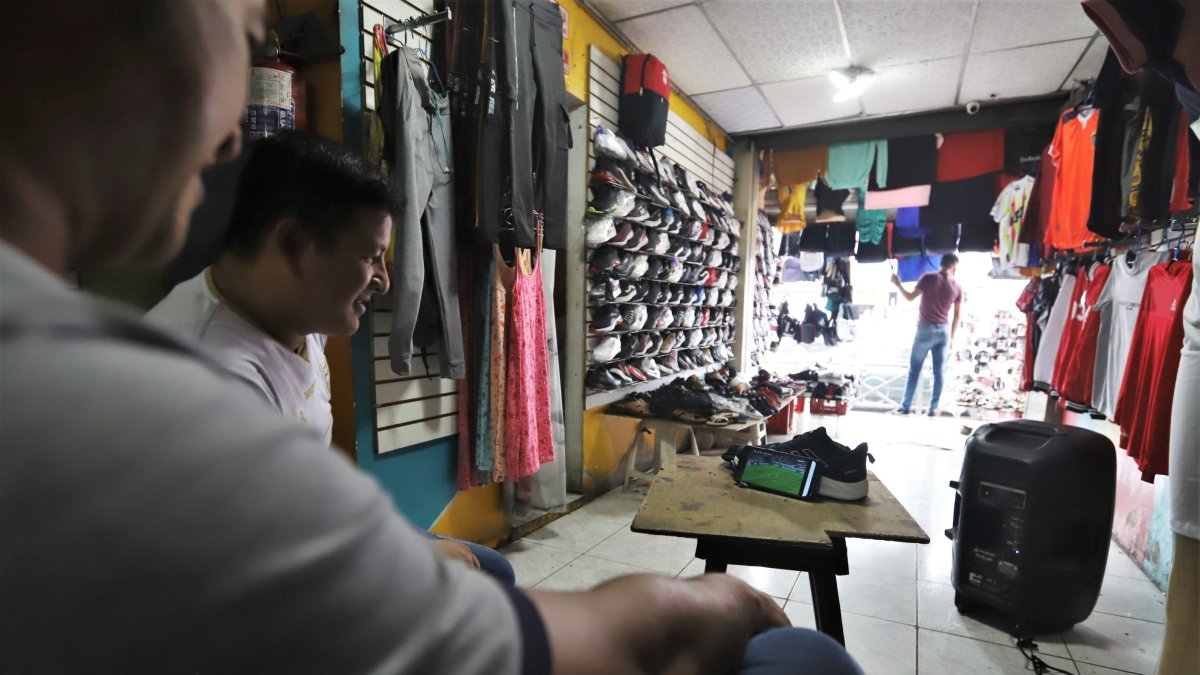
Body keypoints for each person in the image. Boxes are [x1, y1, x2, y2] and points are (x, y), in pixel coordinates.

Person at [0, 2, 863, 674]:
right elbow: (603, 644)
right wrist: (723, 602)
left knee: (492, 565)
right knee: (803, 657)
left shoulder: (267, 326)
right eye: (239, 30)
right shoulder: (179, 402)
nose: (232, 127)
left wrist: (415, 547)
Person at [146, 132, 515, 584]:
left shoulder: (293, 310)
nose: (384, 280)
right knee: (482, 580)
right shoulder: (213, 380)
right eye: (370, 257)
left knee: (490, 569)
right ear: (293, 245)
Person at [890, 254, 964, 416]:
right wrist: (952, 337)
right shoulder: (957, 287)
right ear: (953, 265)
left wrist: (898, 284)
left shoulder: (928, 278)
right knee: (939, 372)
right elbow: (957, 315)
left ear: (942, 263)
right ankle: (932, 409)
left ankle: (905, 407)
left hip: (925, 329)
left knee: (914, 370)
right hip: (944, 331)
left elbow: (910, 297)